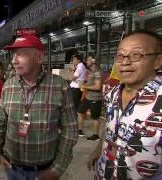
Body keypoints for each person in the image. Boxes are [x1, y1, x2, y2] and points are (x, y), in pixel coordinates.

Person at [0, 34, 78, 180]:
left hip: (44, 172)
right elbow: (1, 122)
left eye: (21, 55)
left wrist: (57, 169)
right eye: (14, 55)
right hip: (11, 168)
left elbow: (70, 130)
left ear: (39, 58)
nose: (14, 61)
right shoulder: (8, 86)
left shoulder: (59, 86)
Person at [88, 30, 162, 179]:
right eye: (120, 55)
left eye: (136, 55)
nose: (125, 62)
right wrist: (98, 150)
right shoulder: (111, 92)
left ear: (158, 61)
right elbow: (111, 127)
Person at [77, 56, 103, 140]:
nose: (86, 61)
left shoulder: (97, 71)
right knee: (79, 112)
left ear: (94, 60)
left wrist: (84, 86)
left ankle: (96, 136)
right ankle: (79, 131)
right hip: (88, 97)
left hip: (95, 98)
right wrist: (84, 82)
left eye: (88, 60)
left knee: (95, 118)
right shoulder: (90, 71)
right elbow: (90, 83)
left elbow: (98, 86)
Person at [69, 55, 87, 122]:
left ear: (79, 60)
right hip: (78, 87)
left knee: (75, 105)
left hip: (75, 88)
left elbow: (71, 78)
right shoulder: (82, 66)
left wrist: (72, 70)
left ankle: (74, 120)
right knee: (78, 104)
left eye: (74, 59)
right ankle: (79, 119)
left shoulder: (79, 67)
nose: (73, 61)